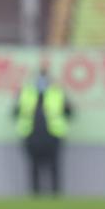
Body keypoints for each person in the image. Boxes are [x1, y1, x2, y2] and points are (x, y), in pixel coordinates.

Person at [13, 66, 73, 195]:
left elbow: (69, 112)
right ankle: (35, 194)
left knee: (54, 166)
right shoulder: (26, 92)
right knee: (34, 166)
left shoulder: (57, 92)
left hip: (53, 134)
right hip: (31, 134)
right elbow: (15, 112)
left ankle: (56, 193)